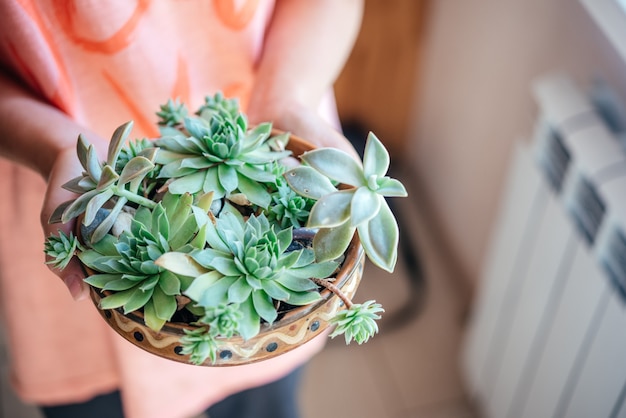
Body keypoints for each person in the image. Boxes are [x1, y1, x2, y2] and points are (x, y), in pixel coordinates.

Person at [0, 1, 363, 417]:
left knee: (261, 396)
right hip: (61, 172)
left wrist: (286, 99)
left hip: (273, 124)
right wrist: (56, 146)